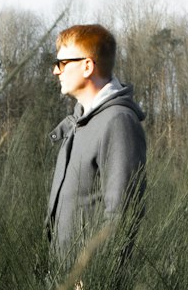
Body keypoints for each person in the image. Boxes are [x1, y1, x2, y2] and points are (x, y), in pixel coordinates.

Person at [44, 24, 147, 266]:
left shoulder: (118, 121)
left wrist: (92, 284)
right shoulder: (81, 123)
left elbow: (122, 213)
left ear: (87, 66)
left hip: (88, 286)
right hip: (65, 281)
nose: (55, 71)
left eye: (62, 63)